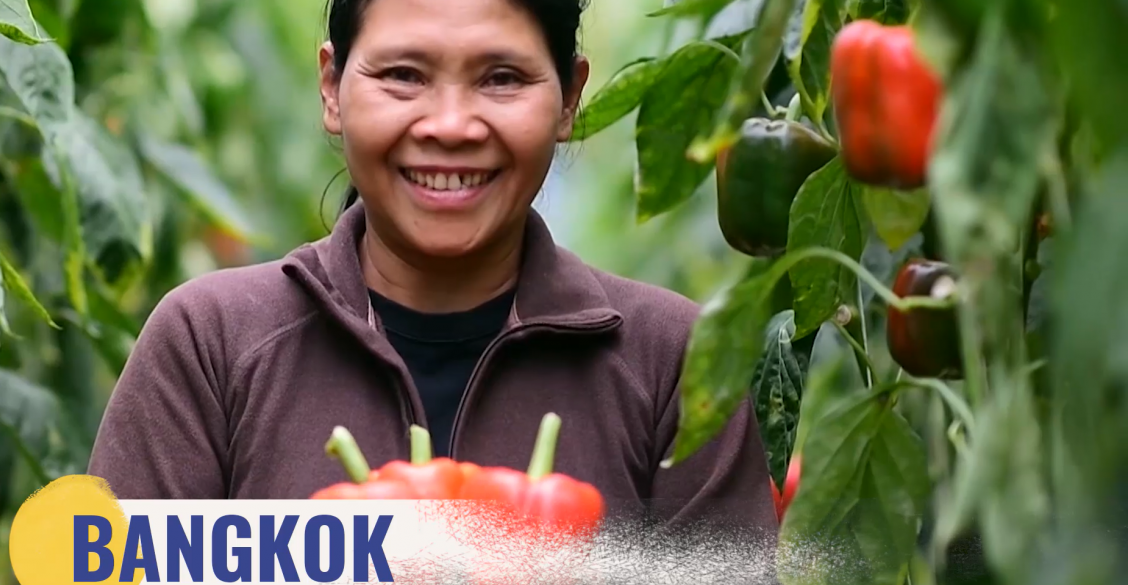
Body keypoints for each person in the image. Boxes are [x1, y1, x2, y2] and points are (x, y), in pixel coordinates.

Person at [87, 0, 777, 540]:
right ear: (332, 87)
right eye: (403, 76)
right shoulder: (211, 344)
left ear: (569, 98)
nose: (450, 124)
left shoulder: (672, 361)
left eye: (501, 78)